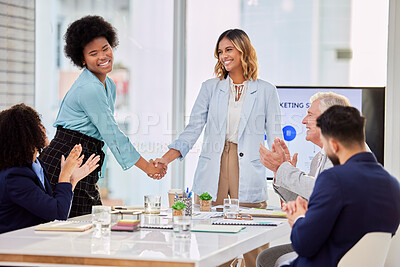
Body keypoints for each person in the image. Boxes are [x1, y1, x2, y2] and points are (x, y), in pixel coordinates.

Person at [153, 29, 282, 266]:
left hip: (248, 168)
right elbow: (192, 129)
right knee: (213, 245)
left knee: (255, 244)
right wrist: (165, 159)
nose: (223, 55)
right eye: (220, 51)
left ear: (244, 50)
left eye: (229, 49)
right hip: (215, 167)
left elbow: (276, 140)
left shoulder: (265, 90)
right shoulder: (210, 88)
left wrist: (284, 181)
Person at [40, 15, 165, 218]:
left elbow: (102, 133)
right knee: (76, 227)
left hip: (83, 159)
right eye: (93, 53)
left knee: (87, 225)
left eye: (105, 48)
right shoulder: (90, 88)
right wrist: (147, 167)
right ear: (82, 59)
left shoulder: (109, 86)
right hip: (67, 158)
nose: (102, 56)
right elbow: (111, 133)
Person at [264, 106, 400, 267]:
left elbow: (304, 244)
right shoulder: (393, 184)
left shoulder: (334, 179)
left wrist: (299, 218)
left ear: (334, 145)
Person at [0, 104, 100, 234]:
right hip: (14, 247)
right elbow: (57, 215)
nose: (43, 129)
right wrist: (64, 175)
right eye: (37, 126)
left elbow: (54, 206)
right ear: (24, 134)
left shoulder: (37, 165)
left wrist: (72, 180)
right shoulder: (15, 177)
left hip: (33, 240)